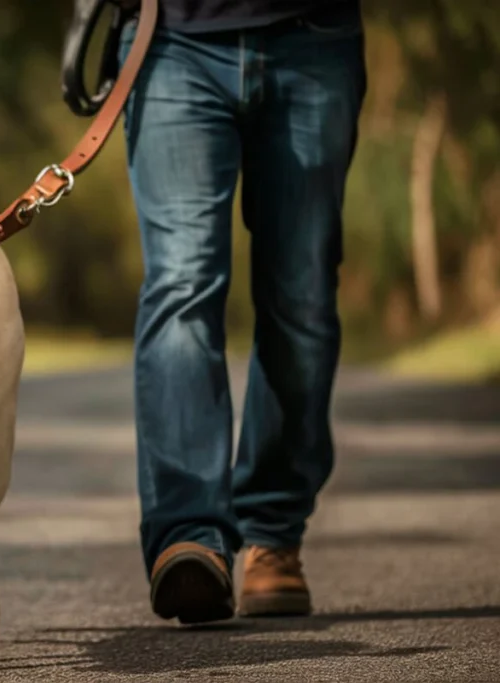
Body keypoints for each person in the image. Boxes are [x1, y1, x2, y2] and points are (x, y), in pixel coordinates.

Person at [116, 0, 366, 622]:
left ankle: (272, 535)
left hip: (314, 36)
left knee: (302, 294)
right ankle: (189, 537)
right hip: (170, 38)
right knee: (182, 283)